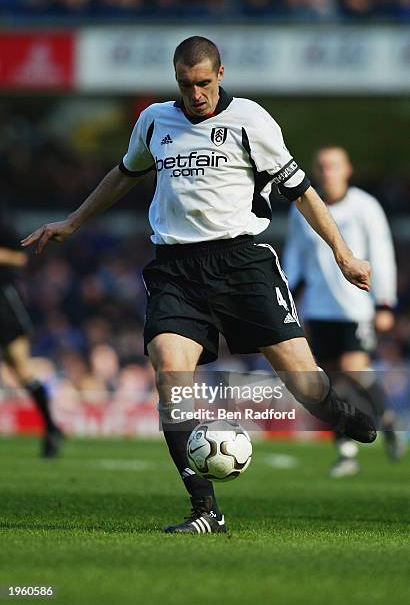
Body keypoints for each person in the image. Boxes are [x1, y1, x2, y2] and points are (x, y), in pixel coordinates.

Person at [22, 36, 376, 533]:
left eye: (204, 84)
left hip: (243, 263)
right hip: (176, 269)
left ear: (221, 74)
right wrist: (74, 221)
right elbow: (125, 172)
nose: (196, 95)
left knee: (307, 385)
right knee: (170, 374)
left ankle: (341, 415)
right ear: (176, 81)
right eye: (186, 85)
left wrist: (343, 253)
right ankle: (205, 508)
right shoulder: (154, 121)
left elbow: (303, 192)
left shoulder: (252, 121)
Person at [283, 146, 404, 477]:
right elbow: (296, 253)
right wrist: (288, 293)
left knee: (355, 370)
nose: (326, 172)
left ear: (347, 169)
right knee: (330, 380)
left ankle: (387, 418)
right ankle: (346, 449)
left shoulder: (365, 207)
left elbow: (381, 253)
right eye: (321, 166)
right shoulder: (303, 206)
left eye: (333, 166)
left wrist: (384, 302)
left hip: (355, 307)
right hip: (318, 309)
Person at [0, 212, 63, 458]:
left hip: (4, 300)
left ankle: (50, 427)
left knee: (21, 369)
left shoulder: (4, 226)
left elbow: (20, 258)